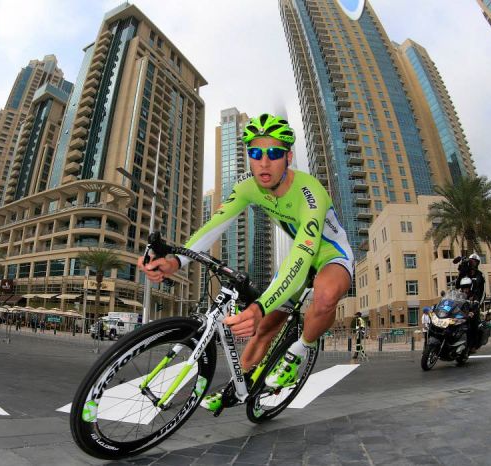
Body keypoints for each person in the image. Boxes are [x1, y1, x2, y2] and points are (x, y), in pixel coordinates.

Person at [138, 113, 354, 413]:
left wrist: (259, 304)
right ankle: (236, 388)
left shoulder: (310, 193)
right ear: (248, 157)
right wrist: (177, 260)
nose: (264, 162)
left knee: (326, 294)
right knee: (264, 327)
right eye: (256, 153)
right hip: (298, 259)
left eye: (274, 153)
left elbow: (303, 256)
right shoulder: (247, 188)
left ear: (288, 157)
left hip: (329, 255)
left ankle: (299, 351)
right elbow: (215, 224)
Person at [459, 277, 480, 351]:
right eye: (464, 288)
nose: (465, 289)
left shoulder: (473, 295)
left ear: (470, 287)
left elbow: (476, 305)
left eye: (467, 287)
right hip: (461, 314)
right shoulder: (459, 295)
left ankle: (473, 345)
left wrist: (472, 312)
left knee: (472, 327)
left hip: (471, 315)